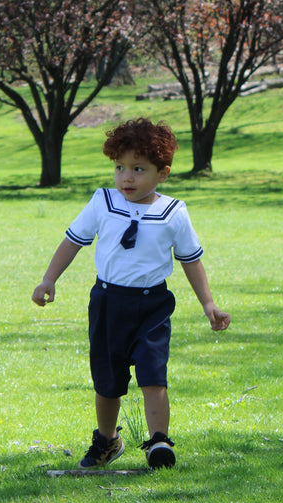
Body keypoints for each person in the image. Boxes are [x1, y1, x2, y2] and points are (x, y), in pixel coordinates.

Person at [31, 117, 230, 470]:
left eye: (138, 169)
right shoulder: (102, 202)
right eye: (120, 167)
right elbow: (72, 242)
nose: (126, 177)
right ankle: (107, 441)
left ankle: (158, 442)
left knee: (154, 375)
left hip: (153, 306)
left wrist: (208, 303)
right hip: (108, 303)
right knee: (108, 381)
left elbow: (191, 260)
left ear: (162, 173)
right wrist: (49, 279)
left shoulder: (173, 212)